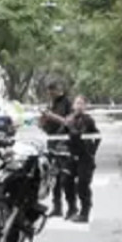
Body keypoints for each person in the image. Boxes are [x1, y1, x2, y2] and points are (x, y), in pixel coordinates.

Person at [43, 95, 100, 223]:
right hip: (71, 156)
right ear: (73, 106)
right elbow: (59, 135)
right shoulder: (70, 119)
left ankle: (85, 212)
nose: (79, 106)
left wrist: (92, 151)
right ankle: (72, 208)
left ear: (85, 106)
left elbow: (88, 135)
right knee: (66, 181)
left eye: (81, 104)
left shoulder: (88, 120)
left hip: (85, 157)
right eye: (77, 103)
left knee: (82, 185)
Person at [39, 81, 75, 217]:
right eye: (48, 92)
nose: (50, 94)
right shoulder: (51, 104)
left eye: (52, 91)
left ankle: (72, 208)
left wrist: (51, 116)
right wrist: (43, 119)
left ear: (58, 90)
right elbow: (44, 125)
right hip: (52, 142)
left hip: (64, 144)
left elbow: (69, 122)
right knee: (54, 177)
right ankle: (57, 207)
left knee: (66, 177)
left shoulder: (67, 103)